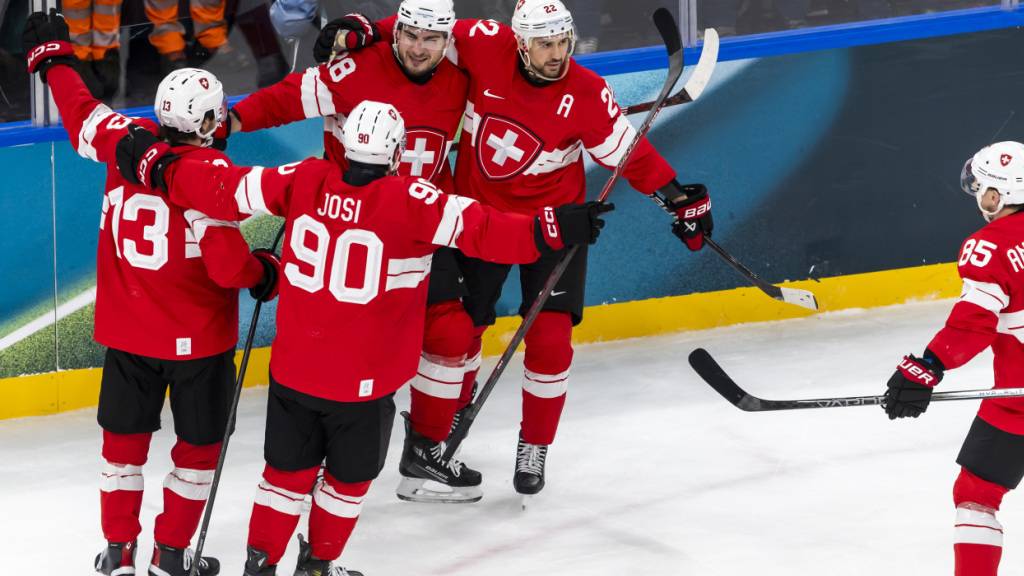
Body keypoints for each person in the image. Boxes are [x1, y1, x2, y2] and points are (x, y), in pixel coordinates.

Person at [115, 99, 612, 575]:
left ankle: (259, 566)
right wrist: (554, 225)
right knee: (345, 485)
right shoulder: (414, 201)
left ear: (346, 145)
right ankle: (316, 568)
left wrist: (160, 167)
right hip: (365, 382)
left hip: (295, 373)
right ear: (397, 154)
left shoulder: (305, 177)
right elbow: (487, 230)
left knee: (282, 481)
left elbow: (228, 189)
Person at [323, 0, 713, 501]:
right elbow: (420, 29)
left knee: (551, 338)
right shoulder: (484, 43)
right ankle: (434, 442)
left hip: (555, 224)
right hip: (478, 221)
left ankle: (535, 444)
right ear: (520, 43)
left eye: (563, 43)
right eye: (545, 45)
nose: (557, 55)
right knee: (461, 334)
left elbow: (629, 156)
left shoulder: (588, 92)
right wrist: (362, 29)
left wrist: (677, 199)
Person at [23, 10, 279, 576]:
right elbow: (226, 266)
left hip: (129, 339)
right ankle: (169, 553)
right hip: (199, 349)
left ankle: (118, 552)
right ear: (212, 120)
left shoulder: (123, 144)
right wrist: (263, 272)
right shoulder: (208, 173)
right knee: (196, 452)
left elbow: (81, 112)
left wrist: (55, 58)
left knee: (122, 449)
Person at [225, 0, 501, 503]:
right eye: (409, 35)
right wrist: (225, 123)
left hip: (418, 227)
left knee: (452, 330)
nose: (419, 48)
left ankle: (425, 452)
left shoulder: (462, 77)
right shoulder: (352, 68)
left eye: (431, 39)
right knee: (333, 348)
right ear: (397, 32)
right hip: (345, 227)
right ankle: (303, 463)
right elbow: (282, 100)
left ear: (447, 41)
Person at [882, 141, 1024, 576]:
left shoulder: (991, 246)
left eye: (982, 189)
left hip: (1017, 405)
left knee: (977, 496)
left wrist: (926, 367)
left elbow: (972, 324)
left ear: (997, 196)